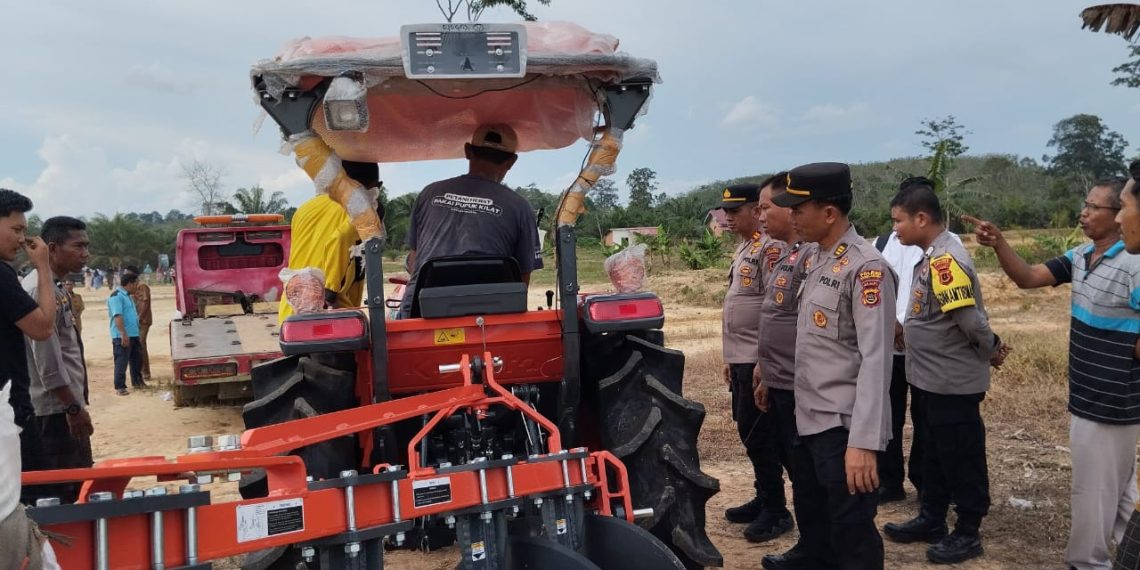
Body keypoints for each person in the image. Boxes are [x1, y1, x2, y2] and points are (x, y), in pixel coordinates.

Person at [964, 177, 1137, 570]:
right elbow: (1028, 278)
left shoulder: (1134, 264)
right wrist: (1000, 243)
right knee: (1122, 492)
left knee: (1093, 490)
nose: (1084, 212)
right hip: (1087, 392)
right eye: (1085, 204)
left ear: (1119, 216)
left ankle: (1088, 562)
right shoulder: (1082, 256)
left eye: (1096, 207)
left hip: (1112, 398)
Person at [762, 162, 895, 570]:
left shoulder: (866, 268)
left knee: (852, 531)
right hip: (811, 419)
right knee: (816, 516)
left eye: (799, 210)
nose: (792, 217)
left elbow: (876, 361)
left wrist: (863, 443)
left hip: (844, 427)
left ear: (829, 212)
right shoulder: (817, 259)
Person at [880, 182, 1008, 564]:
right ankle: (931, 518)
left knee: (961, 456)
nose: (896, 228)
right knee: (934, 453)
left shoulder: (946, 261)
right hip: (929, 379)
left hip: (951, 382)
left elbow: (971, 322)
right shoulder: (930, 255)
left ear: (921, 218)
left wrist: (994, 348)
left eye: (898, 221)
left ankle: (967, 531)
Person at [398, 124, 543, 318]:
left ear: (468, 151)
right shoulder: (520, 207)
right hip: (492, 317)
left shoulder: (429, 193)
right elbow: (522, 281)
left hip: (423, 312)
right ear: (511, 161)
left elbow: (415, 261)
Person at [717, 182, 792, 542]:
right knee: (749, 432)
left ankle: (777, 510)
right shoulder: (746, 247)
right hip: (742, 357)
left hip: (758, 359)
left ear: (754, 211)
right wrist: (732, 358)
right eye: (725, 212)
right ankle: (765, 497)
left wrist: (763, 360)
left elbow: (773, 309)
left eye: (735, 211)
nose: (728, 218)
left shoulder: (771, 248)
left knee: (760, 434)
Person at [752, 171, 817, 552]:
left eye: (766, 207)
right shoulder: (788, 256)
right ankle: (811, 542)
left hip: (799, 383)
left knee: (806, 471)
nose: (761, 216)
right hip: (778, 378)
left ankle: (814, 544)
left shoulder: (810, 257)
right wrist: (764, 370)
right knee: (795, 465)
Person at [22, 216, 94, 505]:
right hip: (55, 412)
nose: (85, 253)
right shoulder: (39, 290)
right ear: (52, 248)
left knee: (79, 488)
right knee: (64, 496)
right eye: (78, 246)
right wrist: (72, 406)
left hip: (63, 407)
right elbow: (47, 359)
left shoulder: (56, 287)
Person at [279, 160, 382, 323]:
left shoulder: (304, 209)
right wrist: (330, 291)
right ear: (375, 185)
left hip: (291, 312)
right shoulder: (359, 210)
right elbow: (339, 240)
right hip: (328, 315)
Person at [108, 271, 145, 395]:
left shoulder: (128, 296)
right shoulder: (116, 296)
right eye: (136, 284)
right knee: (121, 361)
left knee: (136, 360)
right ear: (129, 283)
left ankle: (138, 382)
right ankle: (120, 387)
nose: (137, 287)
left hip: (134, 334)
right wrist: (123, 333)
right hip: (122, 336)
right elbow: (117, 316)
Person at [125, 265, 153, 382]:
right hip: (135, 320)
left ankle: (145, 372)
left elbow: (145, 303)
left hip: (143, 320)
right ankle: (141, 371)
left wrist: (139, 317)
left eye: (127, 273)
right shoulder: (132, 286)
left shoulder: (141, 286)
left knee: (141, 344)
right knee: (137, 345)